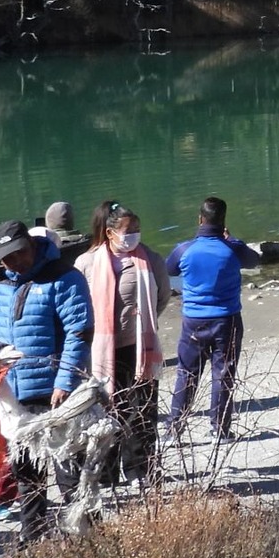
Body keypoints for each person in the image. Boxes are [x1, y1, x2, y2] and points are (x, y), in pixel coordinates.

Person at [0, 219, 95, 542]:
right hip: (13, 395)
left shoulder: (63, 277)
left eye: (20, 254)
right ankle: (33, 536)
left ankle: (89, 538)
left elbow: (80, 331)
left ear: (32, 246)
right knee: (26, 474)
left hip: (57, 392)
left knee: (69, 471)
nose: (15, 262)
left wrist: (65, 381)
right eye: (7, 257)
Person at [74, 203, 170, 486]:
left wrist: (143, 324)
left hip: (138, 347)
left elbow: (162, 297)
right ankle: (106, 473)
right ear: (110, 232)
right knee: (106, 411)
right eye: (128, 231)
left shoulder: (150, 258)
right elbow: (79, 307)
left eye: (138, 230)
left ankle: (141, 469)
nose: (134, 236)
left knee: (142, 410)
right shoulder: (87, 263)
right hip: (102, 352)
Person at [165, 197, 259, 441]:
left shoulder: (184, 249)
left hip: (194, 321)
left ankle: (175, 427)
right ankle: (220, 428)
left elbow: (169, 269)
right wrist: (233, 240)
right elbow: (254, 261)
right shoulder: (233, 248)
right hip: (227, 320)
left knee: (187, 373)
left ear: (200, 219)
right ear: (224, 220)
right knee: (223, 374)